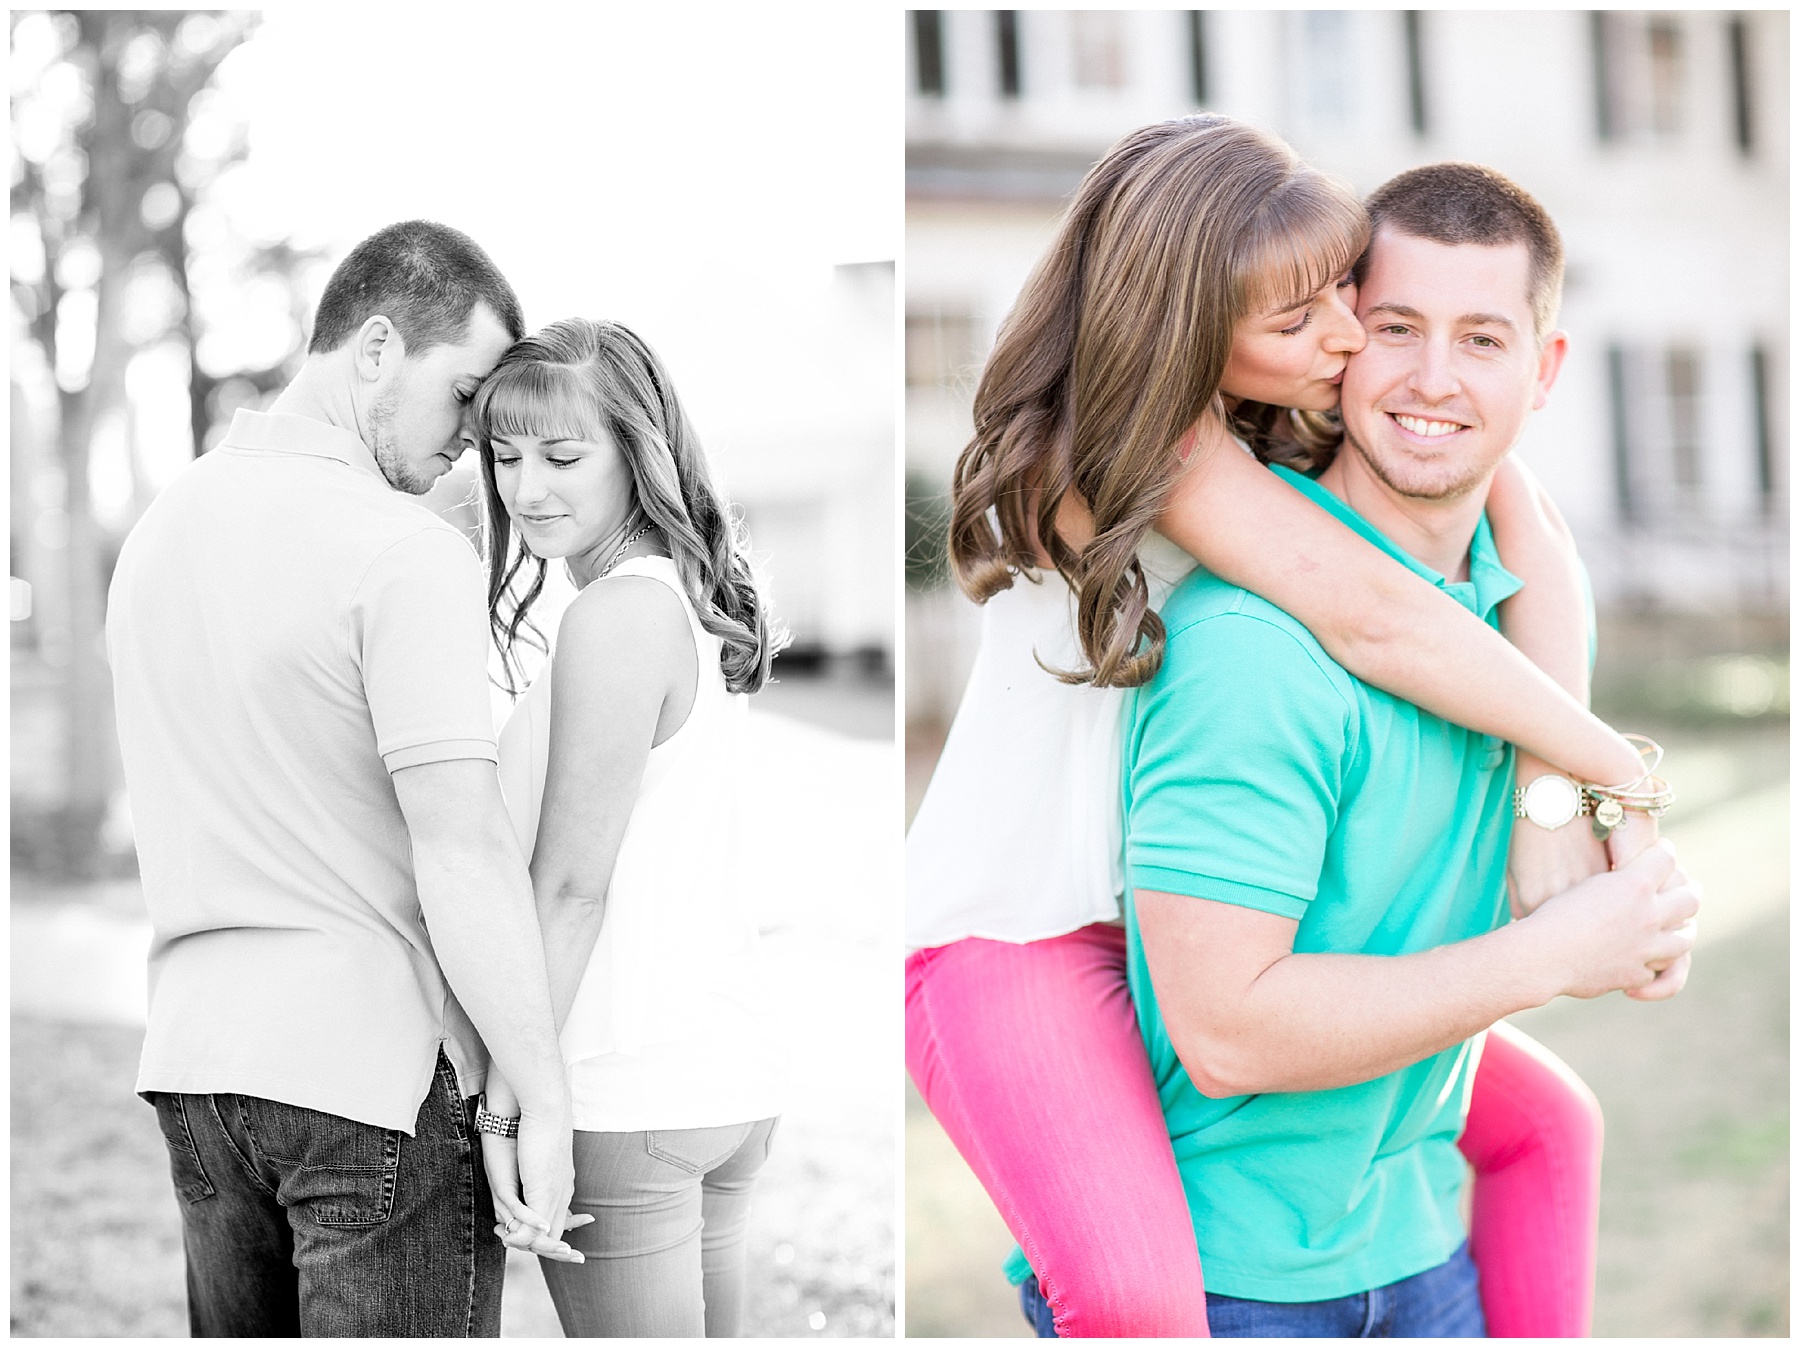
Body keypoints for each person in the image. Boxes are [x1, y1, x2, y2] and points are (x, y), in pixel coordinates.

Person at [905, 117, 1667, 1338]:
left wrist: (1547, 797)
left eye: (1340, 297)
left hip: (1152, 912)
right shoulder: (1133, 447)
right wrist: (1614, 770)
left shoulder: (1277, 412)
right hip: (1024, 926)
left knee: (1549, 1126)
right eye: (1303, 316)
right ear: (1191, 320)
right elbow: (1375, 621)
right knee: (1138, 1295)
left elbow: (1543, 544)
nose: (1352, 336)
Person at [106, 220, 583, 1337]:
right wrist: (544, 1096)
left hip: (194, 1067)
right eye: (463, 394)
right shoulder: (403, 549)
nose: (472, 443)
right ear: (375, 347)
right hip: (369, 1081)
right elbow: (458, 847)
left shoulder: (159, 533)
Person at [467, 318, 787, 1337]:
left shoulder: (615, 618)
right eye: (505, 456)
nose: (528, 488)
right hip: (722, 1080)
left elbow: (570, 887)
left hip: (624, 1087)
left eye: (564, 456)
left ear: (637, 452)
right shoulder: (683, 599)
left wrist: (508, 1101)